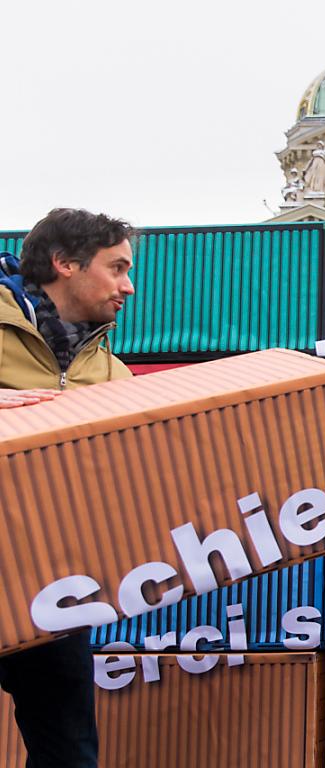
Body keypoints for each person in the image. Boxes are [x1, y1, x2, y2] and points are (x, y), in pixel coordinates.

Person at [0, 207, 135, 767]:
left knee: (69, 753)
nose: (129, 286)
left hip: (50, 585)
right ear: (64, 263)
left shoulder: (113, 375)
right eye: (117, 268)